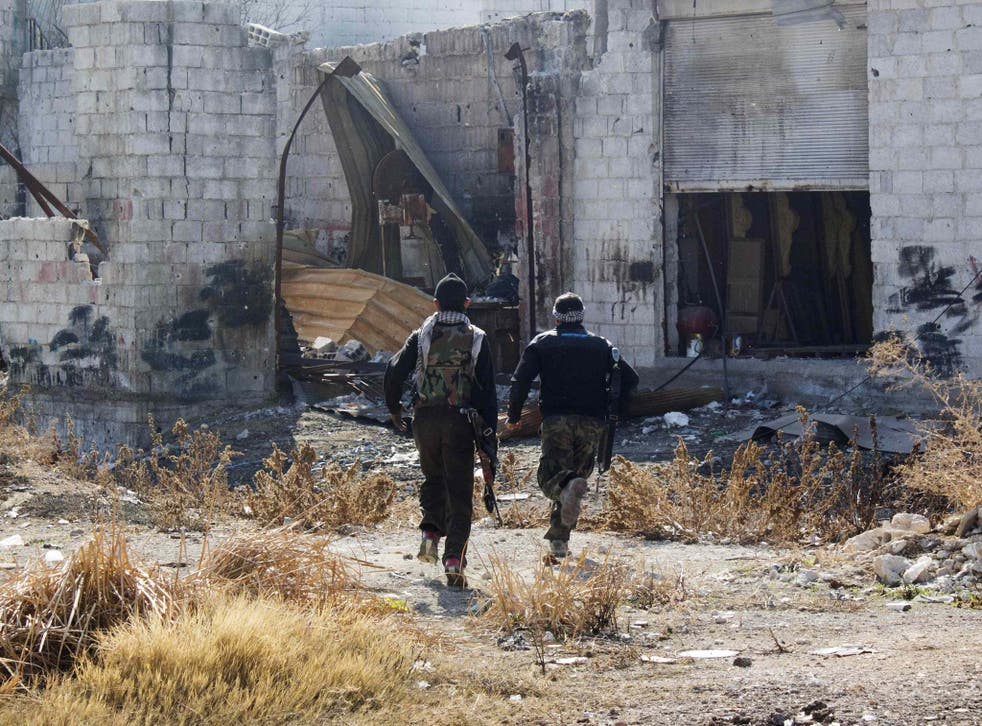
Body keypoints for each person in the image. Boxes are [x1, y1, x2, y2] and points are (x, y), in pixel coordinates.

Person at [506, 292, 638, 561]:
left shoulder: (541, 344)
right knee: (572, 484)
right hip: (592, 423)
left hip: (557, 421)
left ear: (555, 317)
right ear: (582, 316)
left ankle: (561, 526)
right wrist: (619, 411)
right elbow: (630, 379)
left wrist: (514, 415)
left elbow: (520, 382)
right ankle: (559, 541)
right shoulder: (602, 346)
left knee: (551, 477)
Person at [384, 273, 497, 587]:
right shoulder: (477, 337)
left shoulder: (421, 334)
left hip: (424, 421)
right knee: (459, 491)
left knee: (433, 479)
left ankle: (430, 533)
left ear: (434, 303)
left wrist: (394, 408)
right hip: (460, 422)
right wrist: (489, 443)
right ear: (467, 303)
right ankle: (453, 559)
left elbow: (394, 371)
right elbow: (487, 393)